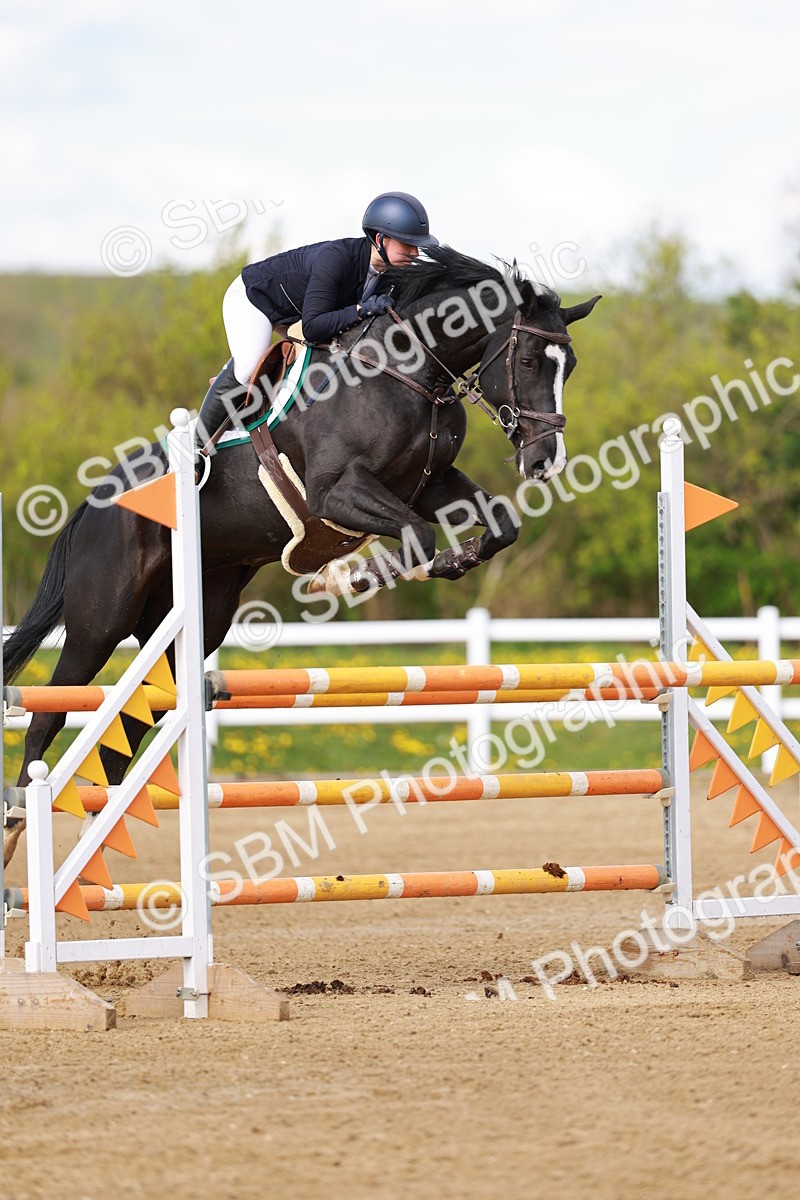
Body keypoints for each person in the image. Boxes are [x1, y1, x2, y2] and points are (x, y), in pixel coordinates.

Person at [196, 191, 438, 448]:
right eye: (407, 244)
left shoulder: (391, 274)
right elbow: (313, 329)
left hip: (298, 311)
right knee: (247, 368)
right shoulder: (336, 258)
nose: (415, 253)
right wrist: (360, 310)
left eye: (417, 246)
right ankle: (195, 448)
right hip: (255, 300)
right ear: (380, 239)